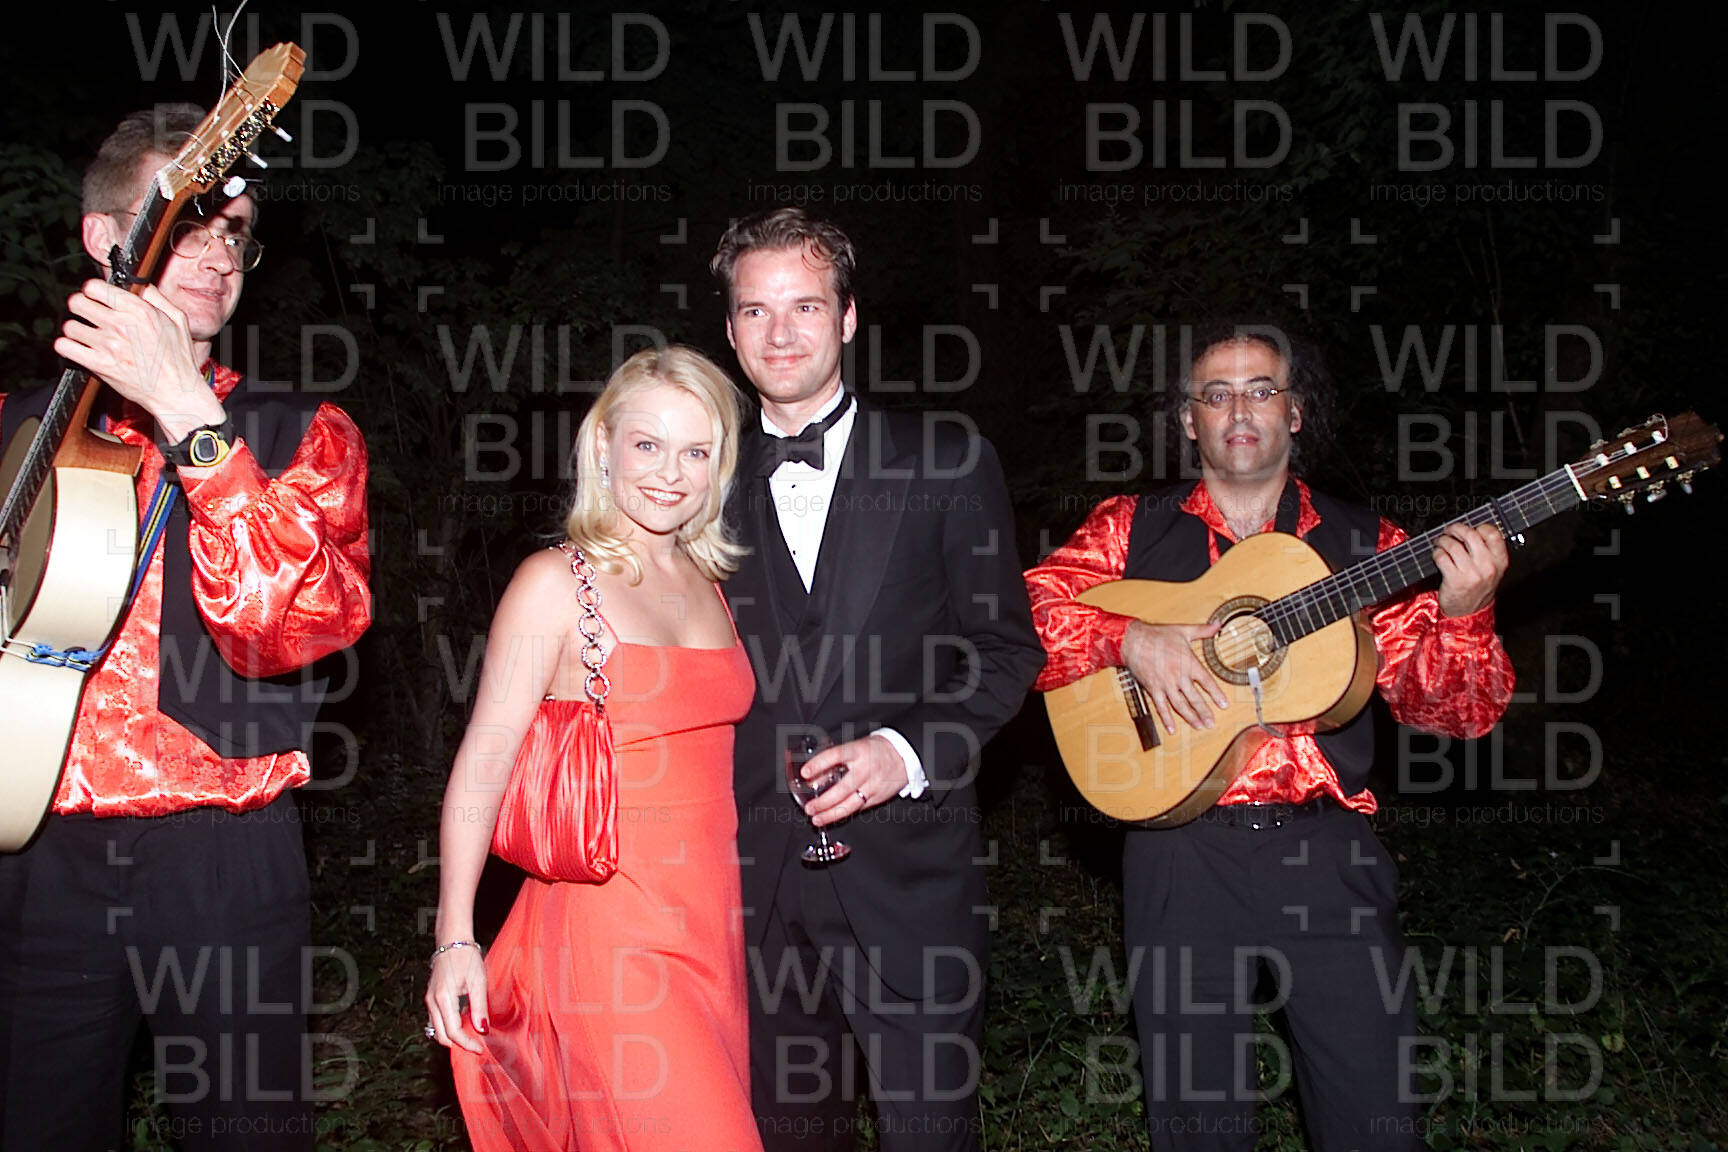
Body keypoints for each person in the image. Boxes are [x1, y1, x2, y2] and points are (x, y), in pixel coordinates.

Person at [1022, 323, 1515, 1150]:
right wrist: (1128, 640)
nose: (1239, 410)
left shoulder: (1369, 544)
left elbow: (1454, 714)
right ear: (1189, 420)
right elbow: (1023, 621)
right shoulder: (1128, 529)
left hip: (1326, 854)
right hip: (1178, 853)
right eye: (1216, 394)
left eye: (1261, 390)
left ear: (1296, 411)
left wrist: (1466, 613)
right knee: (1196, 1120)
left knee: (1374, 1110)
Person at [0, 105, 371, 1150]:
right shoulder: (11, 426)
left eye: (236, 231)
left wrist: (190, 420)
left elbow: (287, 630)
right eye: (188, 225)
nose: (218, 254)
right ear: (104, 239)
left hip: (220, 859)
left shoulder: (304, 433)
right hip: (33, 848)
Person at [711, 207, 1044, 1152]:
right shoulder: (696, 480)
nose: (781, 333)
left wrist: (906, 753)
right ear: (729, 329)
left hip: (912, 886)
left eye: (806, 306)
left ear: (849, 318)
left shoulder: (949, 460)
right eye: (756, 310)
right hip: (751, 894)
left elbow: (1007, 651)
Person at [425, 345, 762, 1152]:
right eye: (648, 444)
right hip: (610, 937)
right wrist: (454, 937)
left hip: (712, 930)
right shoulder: (554, 582)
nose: (671, 473)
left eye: (696, 452)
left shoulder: (710, 582)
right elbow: (483, 765)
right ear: (603, 445)